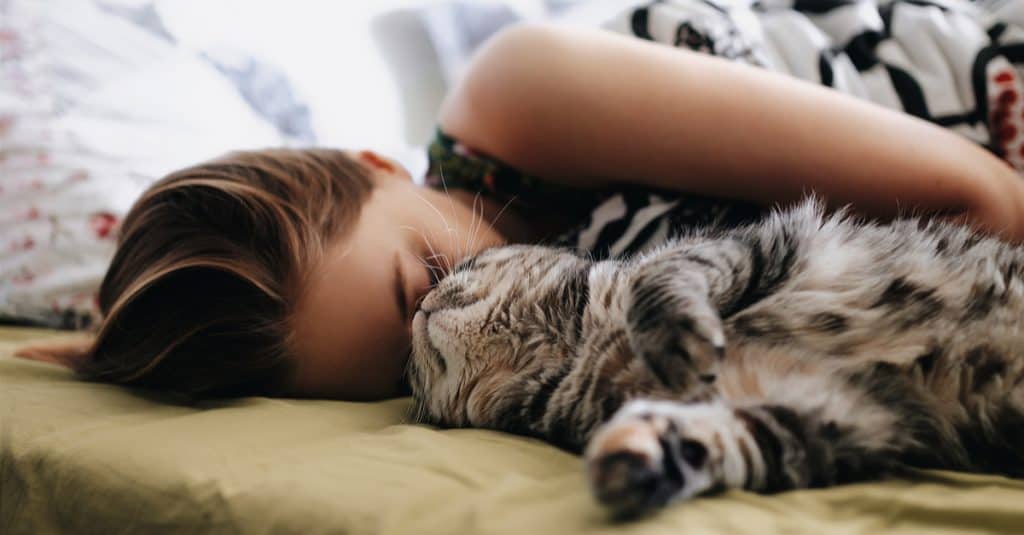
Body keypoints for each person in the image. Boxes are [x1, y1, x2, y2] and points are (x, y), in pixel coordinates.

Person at [16, 22, 1024, 402]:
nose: (467, 319)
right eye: (409, 368)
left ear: (378, 164)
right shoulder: (544, 362)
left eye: (430, 279)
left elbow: (979, 197)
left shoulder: (517, 99)